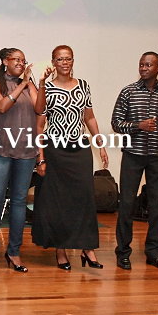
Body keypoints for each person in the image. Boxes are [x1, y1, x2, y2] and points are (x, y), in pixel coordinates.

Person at [31, 45, 109, 270]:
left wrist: (100, 144)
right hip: (55, 150)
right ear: (53, 62)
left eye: (68, 59)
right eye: (60, 59)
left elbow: (89, 118)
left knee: (84, 198)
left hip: (80, 149)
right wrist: (40, 158)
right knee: (58, 201)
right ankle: (61, 250)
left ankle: (87, 248)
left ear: (73, 61)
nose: (64, 62)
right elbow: (39, 125)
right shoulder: (47, 88)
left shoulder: (83, 85)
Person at [111, 52, 158, 271]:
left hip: (157, 157)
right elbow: (116, 123)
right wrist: (138, 126)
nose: (144, 68)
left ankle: (154, 252)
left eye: (149, 65)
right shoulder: (128, 92)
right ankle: (123, 252)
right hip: (133, 155)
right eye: (141, 64)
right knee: (127, 204)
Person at [0, 48, 40, 273]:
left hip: (26, 151)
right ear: (5, 61)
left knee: (19, 202)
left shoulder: (30, 86)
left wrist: (37, 84)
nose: (21, 63)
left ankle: (14, 252)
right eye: (17, 59)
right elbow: (2, 106)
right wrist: (23, 84)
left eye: (24, 60)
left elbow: (40, 109)